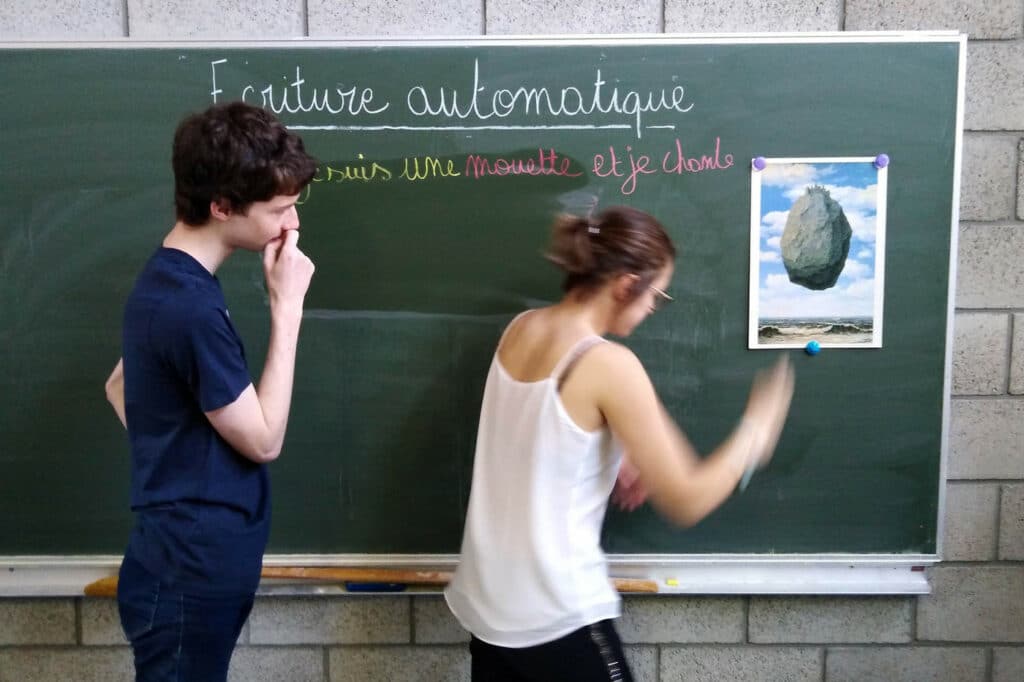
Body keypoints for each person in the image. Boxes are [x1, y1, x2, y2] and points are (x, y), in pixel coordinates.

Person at [445, 206, 795, 681]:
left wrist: (613, 454)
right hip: (555, 616)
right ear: (627, 284)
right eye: (657, 294)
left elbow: (538, 431)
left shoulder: (521, 329)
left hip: (490, 611)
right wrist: (757, 431)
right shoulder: (608, 364)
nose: (653, 307)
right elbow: (686, 499)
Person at [103, 101, 318, 681]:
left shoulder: (167, 281)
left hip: (183, 561)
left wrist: (182, 465)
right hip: (189, 573)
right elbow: (265, 441)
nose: (291, 226)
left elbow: (120, 385)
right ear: (222, 206)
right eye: (279, 210)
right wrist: (287, 309)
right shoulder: (190, 306)